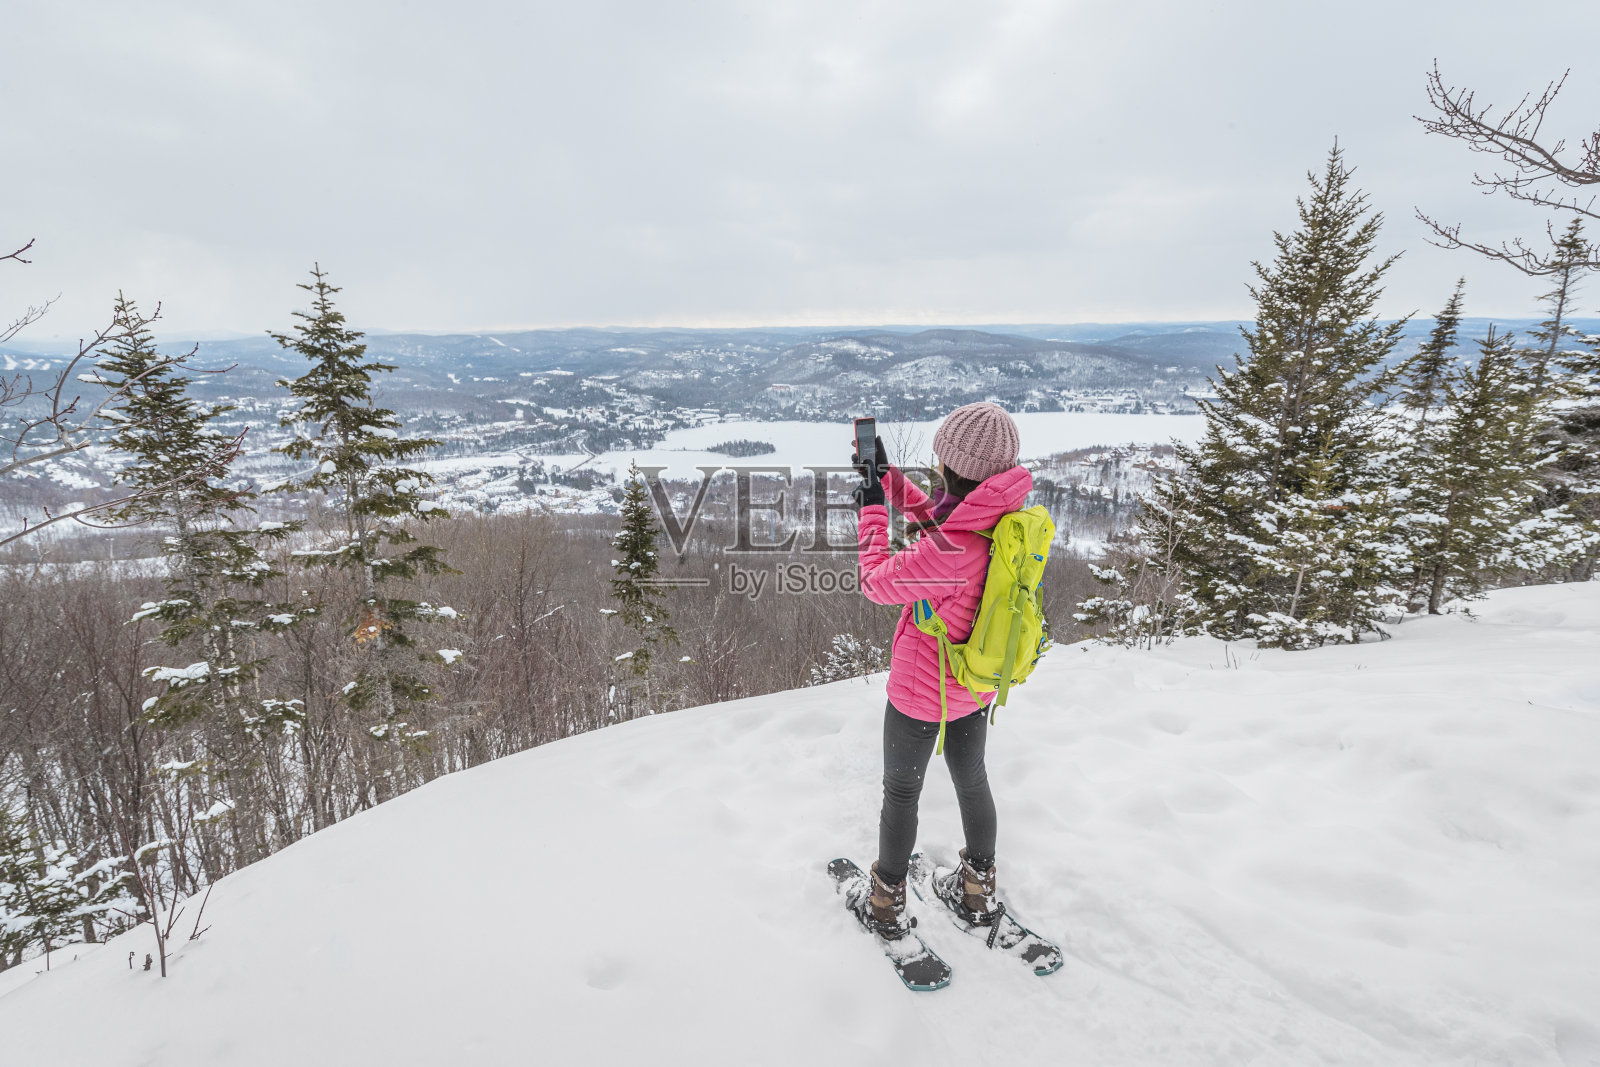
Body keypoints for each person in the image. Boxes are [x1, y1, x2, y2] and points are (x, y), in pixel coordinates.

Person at [850, 401, 1031, 939]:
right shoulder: (998, 518)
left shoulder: (955, 550)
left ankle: (884, 903)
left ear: (953, 465)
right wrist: (890, 481)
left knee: (901, 794)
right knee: (971, 777)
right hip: (974, 682)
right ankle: (976, 889)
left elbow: (875, 580)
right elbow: (944, 521)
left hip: (921, 692)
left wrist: (871, 507)